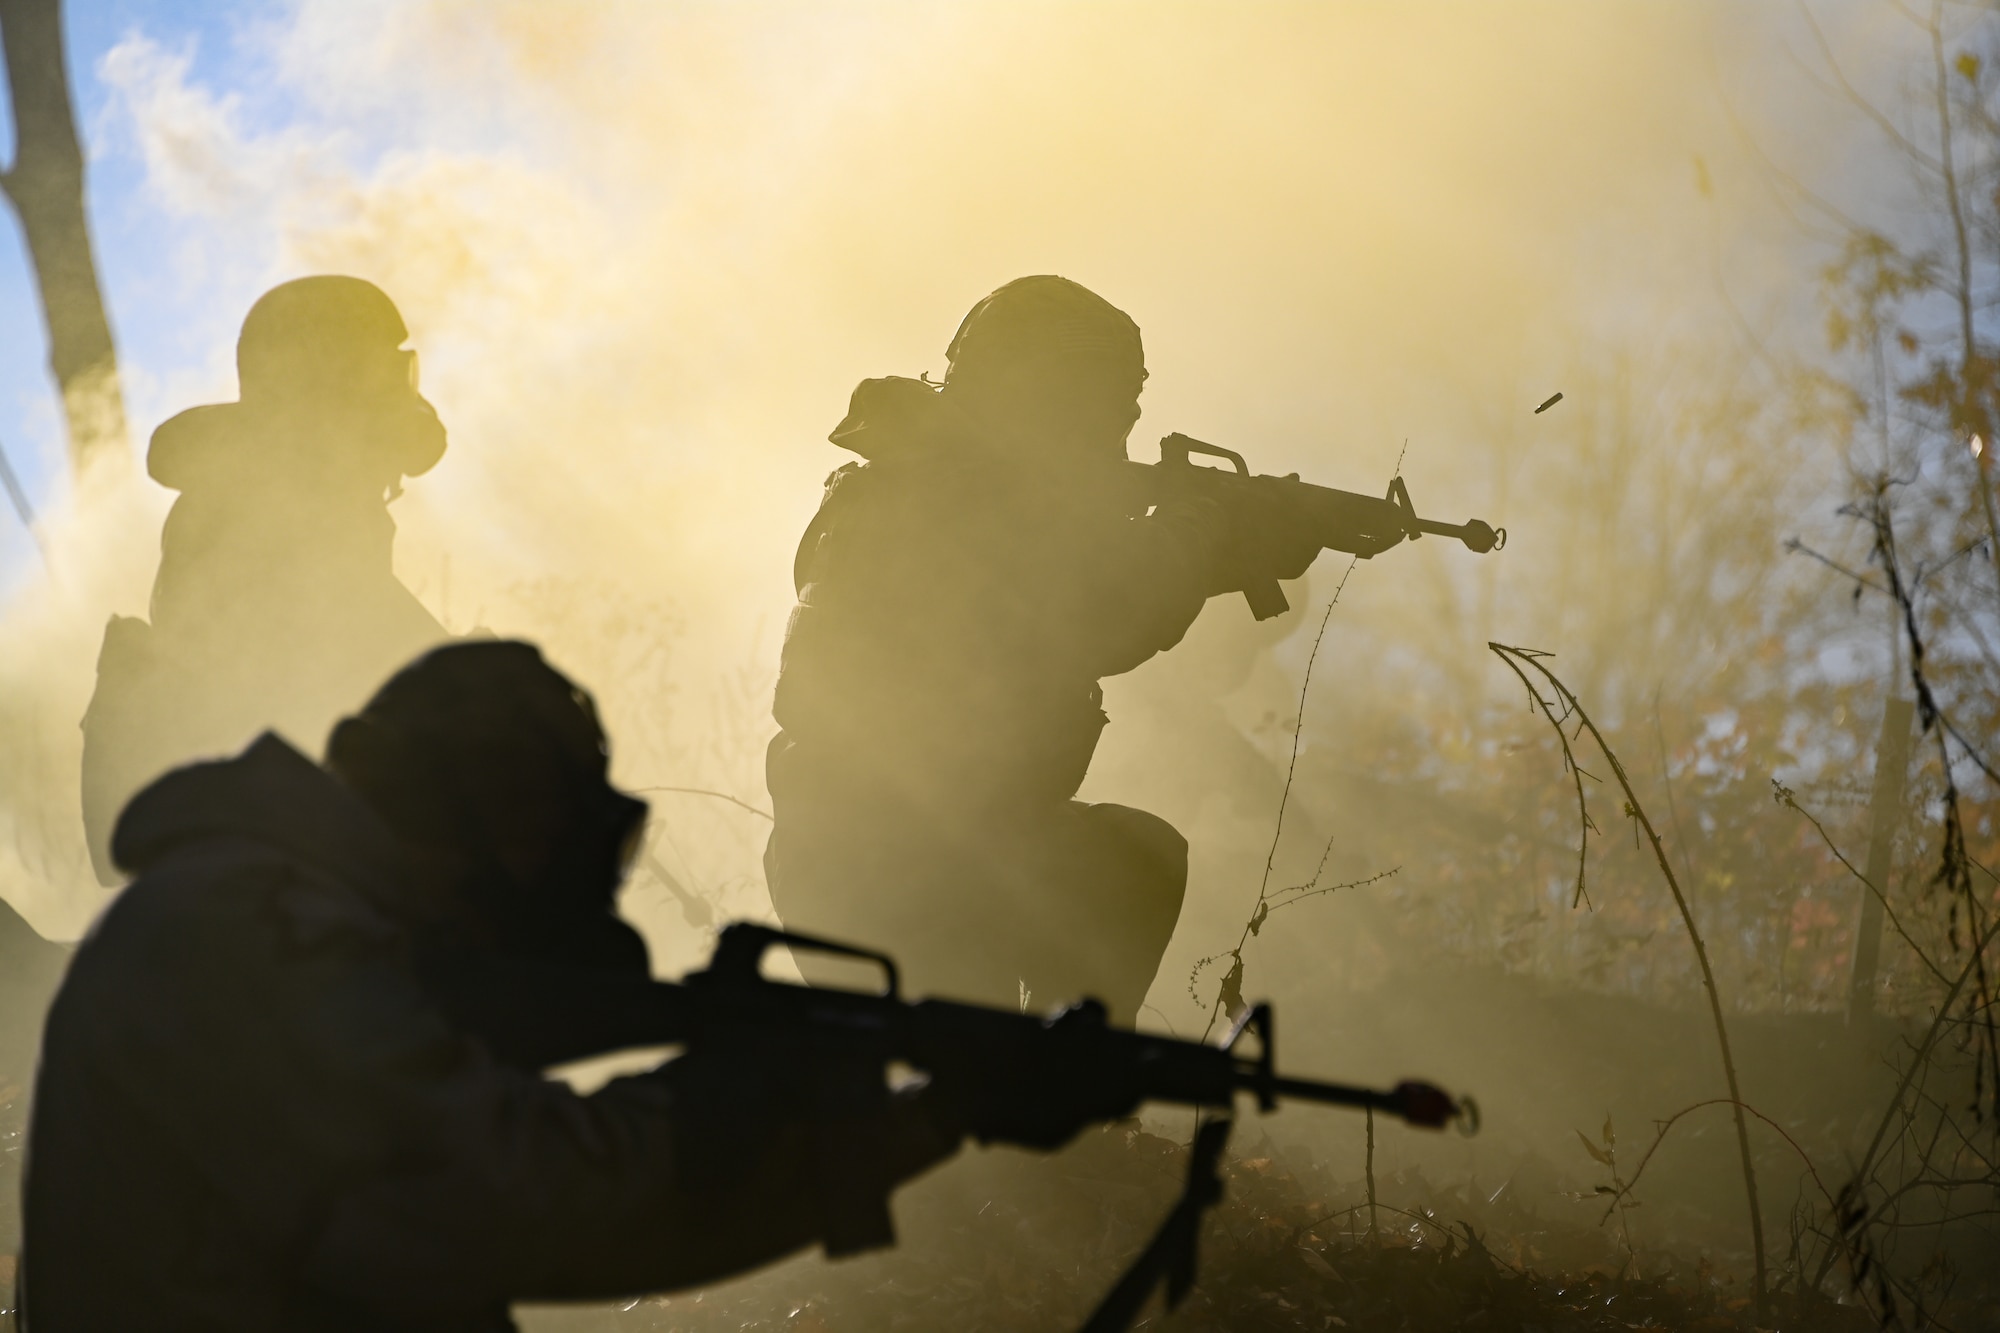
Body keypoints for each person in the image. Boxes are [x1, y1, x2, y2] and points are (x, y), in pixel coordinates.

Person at [25, 641, 982, 1332]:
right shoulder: (247, 923)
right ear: (441, 814)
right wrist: (731, 1092)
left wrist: (927, 1120)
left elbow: (589, 1226)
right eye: (528, 828)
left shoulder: (271, 911)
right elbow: (527, 1204)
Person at [764, 276, 1318, 1022]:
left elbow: (1064, 601)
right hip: (909, 864)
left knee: (1119, 869)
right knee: (1131, 866)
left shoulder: (913, 481)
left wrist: (1229, 540)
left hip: (898, 854)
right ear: (1045, 395)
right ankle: (1068, 1107)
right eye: (1103, 400)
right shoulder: (946, 494)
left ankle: (1056, 1110)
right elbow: (1108, 609)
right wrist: (1197, 526)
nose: (1120, 423)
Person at [80, 275, 452, 884]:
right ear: (326, 378)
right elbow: (344, 647)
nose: (400, 396)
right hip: (259, 840)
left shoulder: (286, 477)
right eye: (384, 376)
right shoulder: (271, 503)